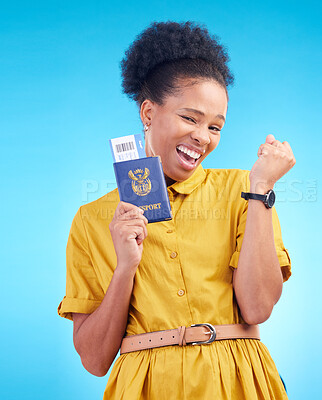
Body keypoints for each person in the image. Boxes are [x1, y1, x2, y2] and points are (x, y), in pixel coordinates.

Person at [57, 20, 296, 399]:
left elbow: (257, 307)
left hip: (239, 382)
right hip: (147, 387)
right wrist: (125, 267)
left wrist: (261, 190)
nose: (202, 137)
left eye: (216, 127)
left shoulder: (244, 191)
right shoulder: (92, 220)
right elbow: (94, 360)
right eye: (190, 118)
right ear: (148, 112)